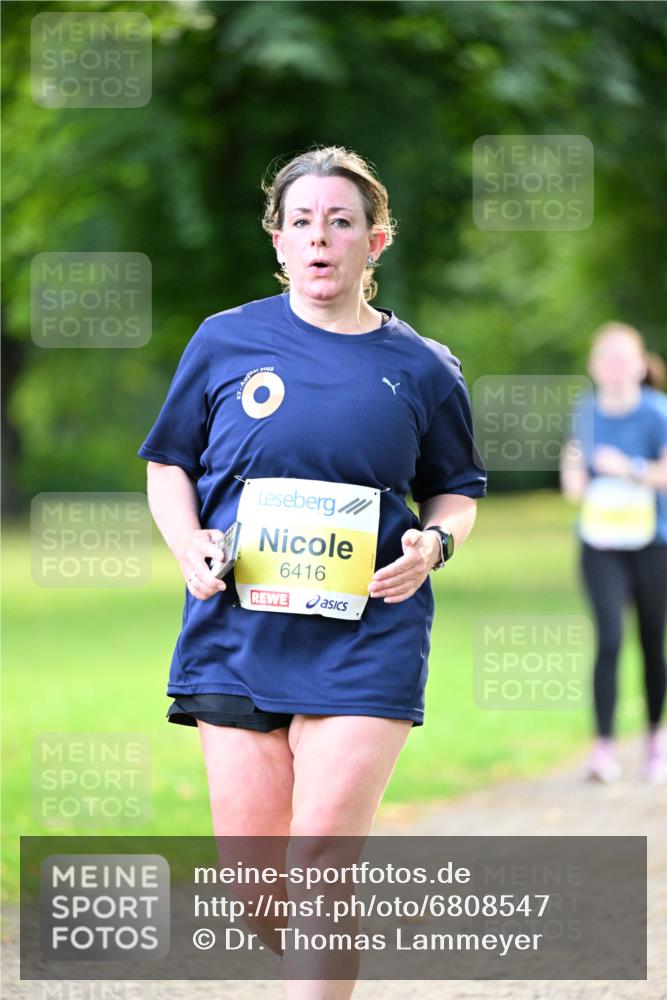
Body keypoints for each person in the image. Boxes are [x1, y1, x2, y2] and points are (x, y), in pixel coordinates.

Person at [137, 144, 487, 997]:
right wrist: (189, 544)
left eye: (341, 221)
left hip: (367, 630)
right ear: (278, 242)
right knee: (259, 889)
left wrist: (430, 548)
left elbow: (456, 491)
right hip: (237, 627)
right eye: (302, 223)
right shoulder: (225, 342)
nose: (320, 238)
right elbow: (167, 464)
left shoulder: (423, 367)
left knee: (323, 854)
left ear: (376, 240)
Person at [560, 322, 667, 784]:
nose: (615, 367)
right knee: (608, 637)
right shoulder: (584, 412)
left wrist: (630, 469)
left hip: (652, 542)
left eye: (624, 358)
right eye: (606, 358)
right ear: (594, 366)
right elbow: (573, 482)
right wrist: (574, 471)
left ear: (641, 365)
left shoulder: (656, 411)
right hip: (600, 541)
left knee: (651, 642)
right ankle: (602, 749)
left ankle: (654, 743)